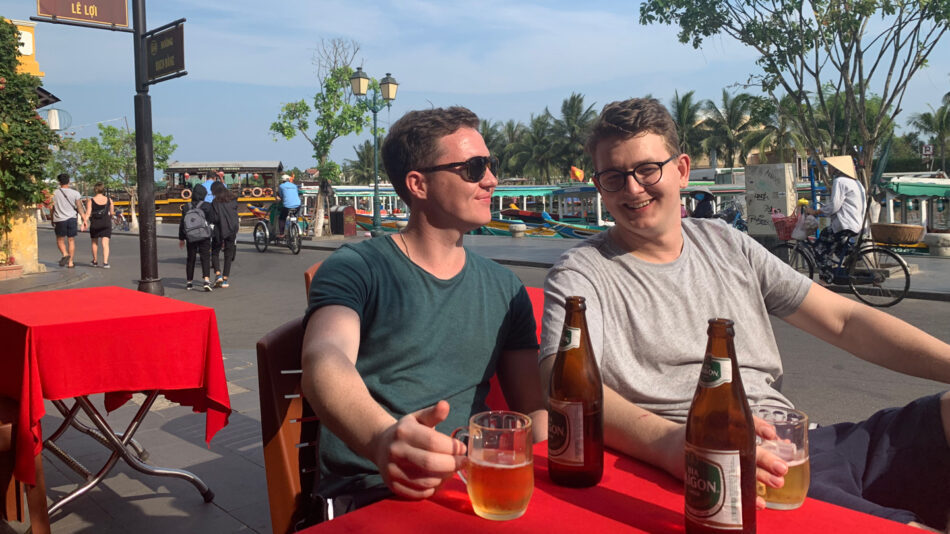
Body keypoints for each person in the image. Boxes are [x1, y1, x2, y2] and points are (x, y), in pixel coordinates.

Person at [539, 97, 950, 531]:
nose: (633, 189)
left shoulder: (725, 243)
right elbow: (561, 379)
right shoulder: (582, 273)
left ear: (680, 170)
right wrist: (673, 445)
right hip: (724, 465)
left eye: (646, 170)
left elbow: (845, 320)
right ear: (600, 186)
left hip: (804, 445)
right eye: (614, 177)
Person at [300, 106, 547, 523]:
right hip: (372, 490)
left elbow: (533, 409)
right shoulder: (358, 267)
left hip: (474, 488)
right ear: (418, 184)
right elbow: (325, 358)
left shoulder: (506, 289)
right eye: (473, 168)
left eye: (490, 165)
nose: (491, 179)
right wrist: (381, 440)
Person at [806, 165, 867, 277]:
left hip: (845, 225)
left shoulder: (840, 181)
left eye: (830, 167)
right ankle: (851, 258)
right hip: (857, 224)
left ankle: (826, 278)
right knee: (836, 244)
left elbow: (834, 205)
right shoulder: (857, 183)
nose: (828, 170)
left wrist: (816, 212)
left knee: (819, 247)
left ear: (837, 169)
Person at [178, 183, 217, 292]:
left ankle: (189, 283)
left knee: (191, 259)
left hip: (190, 236)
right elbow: (212, 220)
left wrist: (181, 238)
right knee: (205, 257)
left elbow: (182, 223)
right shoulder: (207, 206)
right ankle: (206, 280)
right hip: (204, 236)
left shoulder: (186, 207)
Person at [51, 173, 85, 269]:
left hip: (59, 219)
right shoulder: (75, 193)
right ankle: (70, 263)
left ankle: (65, 254)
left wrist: (52, 218)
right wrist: (84, 218)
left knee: (60, 240)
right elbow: (79, 207)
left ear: (59, 182)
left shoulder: (53, 193)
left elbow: (51, 207)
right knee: (71, 240)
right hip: (72, 219)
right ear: (69, 181)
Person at [210, 181, 239, 288]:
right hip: (232, 229)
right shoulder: (233, 200)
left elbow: (214, 218)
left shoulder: (215, 202)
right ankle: (225, 280)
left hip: (219, 229)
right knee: (228, 254)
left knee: (215, 252)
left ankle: (218, 274)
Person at [81, 182, 114, 268]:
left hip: (95, 222)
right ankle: (105, 262)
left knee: (94, 243)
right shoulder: (109, 200)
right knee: (105, 243)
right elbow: (112, 213)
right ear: (103, 190)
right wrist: (110, 217)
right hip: (106, 222)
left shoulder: (91, 201)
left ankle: (95, 261)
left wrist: (84, 222)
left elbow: (87, 213)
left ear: (95, 190)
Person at [275, 173, 301, 238]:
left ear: (282, 180)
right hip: (298, 205)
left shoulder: (281, 186)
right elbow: (296, 194)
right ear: (289, 179)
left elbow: (281, 196)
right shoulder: (294, 186)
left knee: (282, 218)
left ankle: (281, 234)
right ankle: (294, 226)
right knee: (294, 216)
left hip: (287, 206)